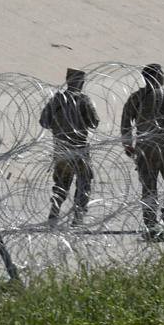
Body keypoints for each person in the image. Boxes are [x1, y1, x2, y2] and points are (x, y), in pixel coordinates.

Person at [121, 63, 164, 231]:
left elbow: (126, 122)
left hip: (143, 147)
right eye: (162, 74)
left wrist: (128, 143)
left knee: (148, 186)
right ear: (158, 76)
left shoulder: (136, 97)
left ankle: (150, 222)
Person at [39, 68, 99, 226]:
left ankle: (54, 214)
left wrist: (59, 125)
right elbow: (94, 122)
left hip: (61, 150)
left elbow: (43, 122)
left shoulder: (56, 101)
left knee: (61, 184)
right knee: (84, 182)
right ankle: (78, 218)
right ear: (79, 82)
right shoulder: (83, 100)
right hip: (79, 150)